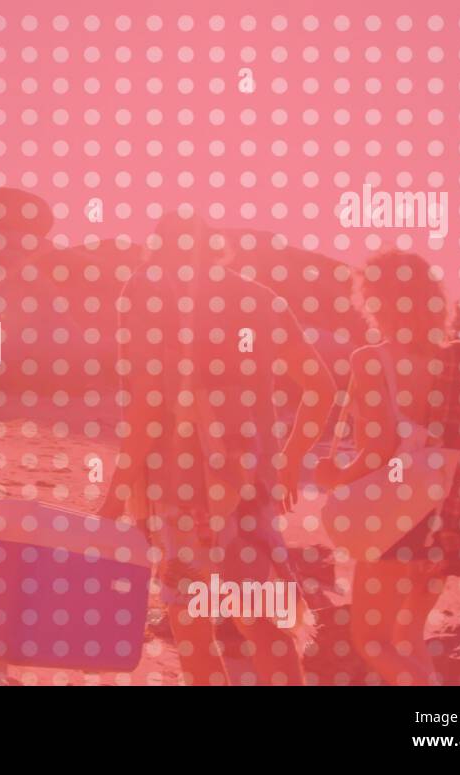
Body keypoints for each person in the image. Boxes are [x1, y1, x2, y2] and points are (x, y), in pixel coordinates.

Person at [102, 214, 335, 685]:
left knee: (191, 622)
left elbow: (147, 407)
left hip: (178, 488)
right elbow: (322, 387)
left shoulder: (148, 293)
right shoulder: (260, 299)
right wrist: (289, 461)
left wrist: (113, 500)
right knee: (261, 619)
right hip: (250, 487)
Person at [316, 250, 460, 685]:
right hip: (448, 516)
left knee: (373, 640)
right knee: (407, 636)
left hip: (396, 520)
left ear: (375, 299)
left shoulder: (371, 360)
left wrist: (332, 478)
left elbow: (377, 452)